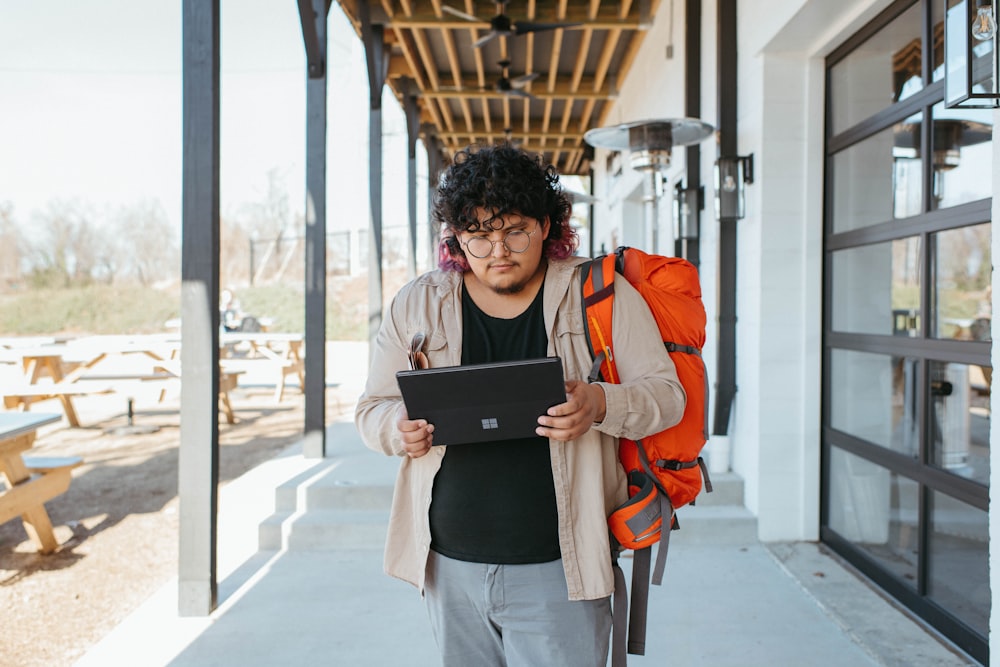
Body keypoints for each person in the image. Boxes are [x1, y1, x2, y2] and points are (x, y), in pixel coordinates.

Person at [354, 143, 685, 667]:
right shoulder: (418, 302)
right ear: (456, 238)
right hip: (448, 567)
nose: (499, 251)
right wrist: (397, 427)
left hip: (562, 568)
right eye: (479, 236)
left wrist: (600, 402)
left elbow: (668, 397)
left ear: (548, 226)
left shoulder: (599, 295)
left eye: (515, 230)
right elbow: (371, 407)